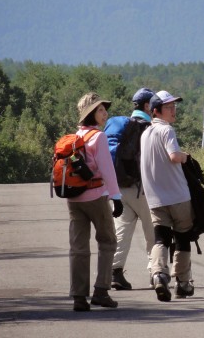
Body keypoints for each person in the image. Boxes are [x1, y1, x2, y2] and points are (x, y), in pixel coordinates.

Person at [68, 92, 124, 312]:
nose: (105, 113)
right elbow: (107, 170)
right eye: (101, 110)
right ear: (91, 112)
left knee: (78, 247)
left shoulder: (76, 136)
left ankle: (79, 297)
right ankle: (101, 290)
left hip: (74, 198)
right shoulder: (98, 137)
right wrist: (116, 197)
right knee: (108, 241)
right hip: (95, 196)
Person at [139, 90, 195, 302]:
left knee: (160, 238)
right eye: (169, 108)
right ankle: (182, 283)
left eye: (174, 107)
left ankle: (159, 274)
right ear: (156, 111)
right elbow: (173, 156)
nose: (174, 111)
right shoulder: (167, 130)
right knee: (182, 237)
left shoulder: (145, 134)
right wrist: (185, 156)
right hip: (178, 195)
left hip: (155, 198)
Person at [110, 88, 156, 291]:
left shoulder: (123, 126)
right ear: (147, 106)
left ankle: (114, 273)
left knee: (121, 232)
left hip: (121, 188)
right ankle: (156, 274)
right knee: (154, 233)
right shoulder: (150, 128)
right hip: (144, 190)